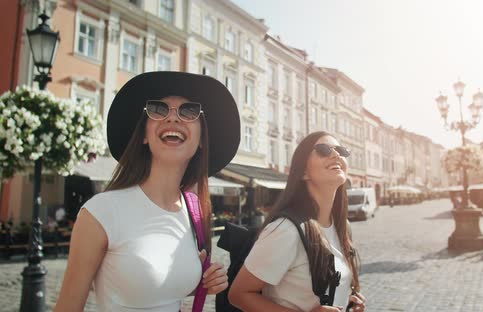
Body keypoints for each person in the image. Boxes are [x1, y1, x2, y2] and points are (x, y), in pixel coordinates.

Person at [55, 71, 240, 311]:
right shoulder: (101, 211)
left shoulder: (193, 211)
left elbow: (159, 288)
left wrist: (205, 282)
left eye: (189, 111)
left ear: (202, 139)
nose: (173, 118)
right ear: (143, 134)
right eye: (159, 109)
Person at [228, 131, 366, 312]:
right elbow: (239, 294)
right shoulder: (285, 230)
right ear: (303, 173)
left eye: (341, 150)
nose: (336, 154)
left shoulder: (342, 226)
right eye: (323, 150)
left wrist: (348, 300)